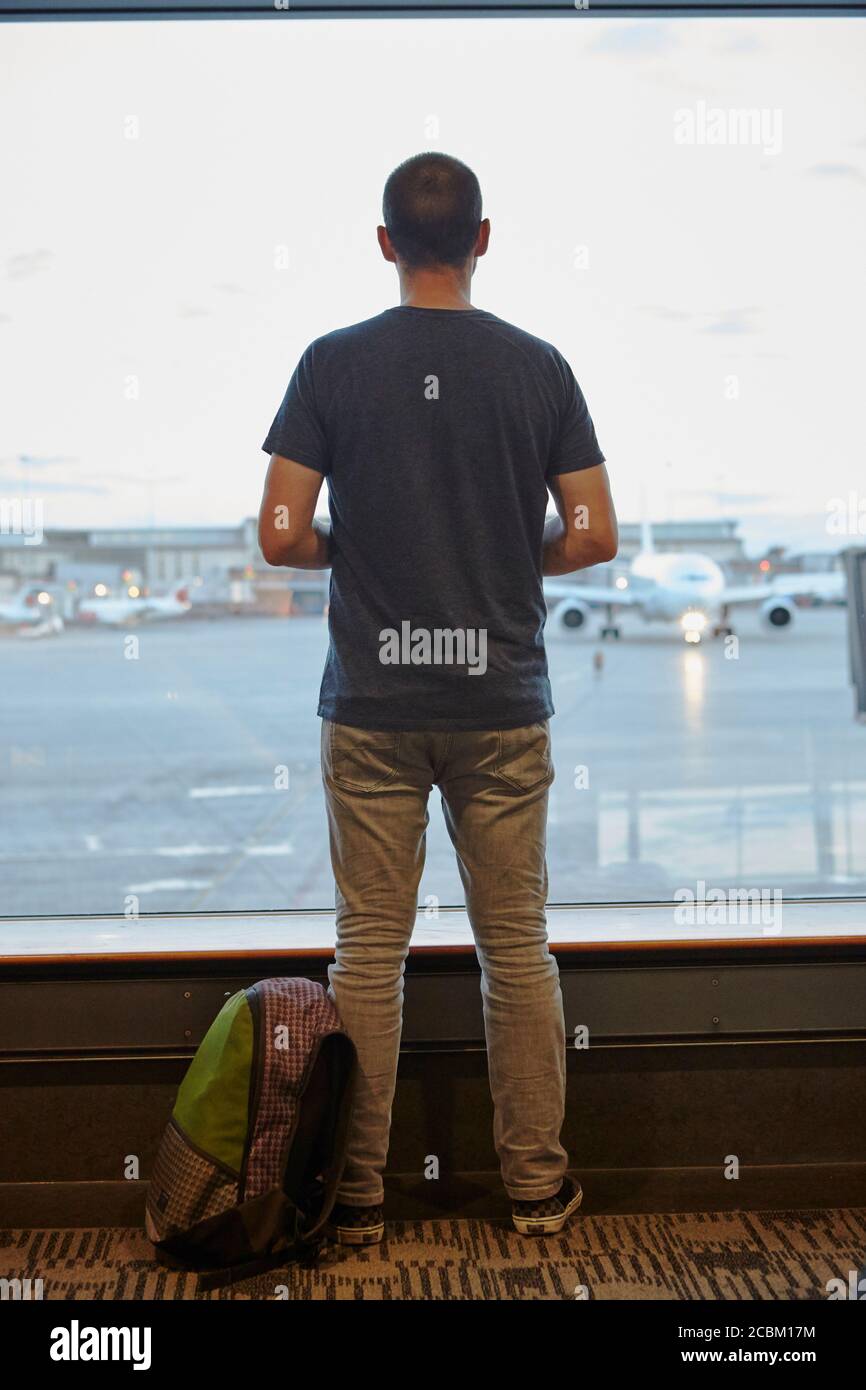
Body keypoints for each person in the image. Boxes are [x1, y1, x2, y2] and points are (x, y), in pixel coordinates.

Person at [258, 152, 618, 1245]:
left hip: (370, 703)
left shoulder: (330, 363)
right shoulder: (538, 367)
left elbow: (279, 537)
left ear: (382, 245)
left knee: (367, 949)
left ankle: (354, 1200)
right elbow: (595, 533)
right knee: (517, 947)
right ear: (482, 239)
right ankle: (535, 1190)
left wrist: (359, 553)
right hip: (501, 702)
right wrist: (513, 559)